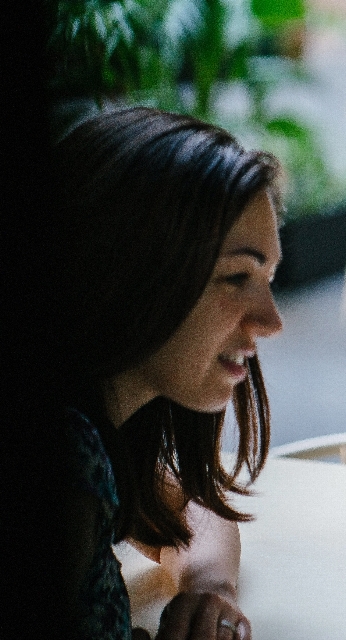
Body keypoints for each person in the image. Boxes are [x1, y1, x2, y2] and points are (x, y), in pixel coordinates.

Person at [46, 106, 284, 639]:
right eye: (236, 277)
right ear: (136, 269)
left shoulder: (104, 442)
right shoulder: (69, 456)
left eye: (268, 277)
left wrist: (210, 591)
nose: (272, 321)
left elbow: (187, 511)